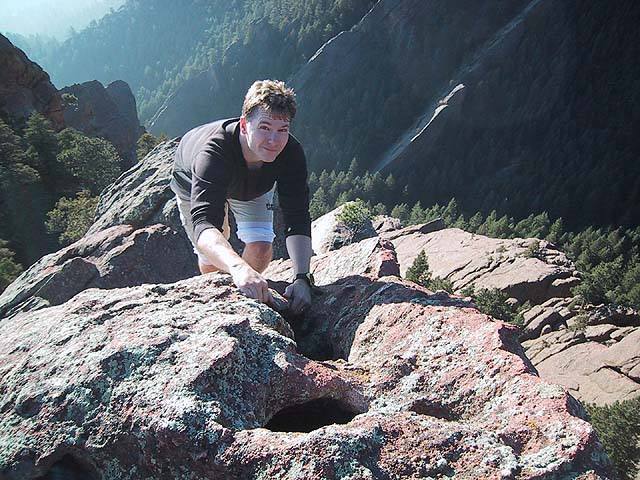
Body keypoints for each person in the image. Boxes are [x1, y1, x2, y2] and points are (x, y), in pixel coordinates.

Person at [170, 79, 314, 314]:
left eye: (282, 130)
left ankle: (246, 300)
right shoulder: (213, 154)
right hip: (191, 180)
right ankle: (220, 303)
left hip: (254, 184)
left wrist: (302, 278)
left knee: (260, 247)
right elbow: (204, 224)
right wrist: (238, 267)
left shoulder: (290, 154)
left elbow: (297, 217)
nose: (273, 141)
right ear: (245, 125)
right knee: (211, 254)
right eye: (264, 128)